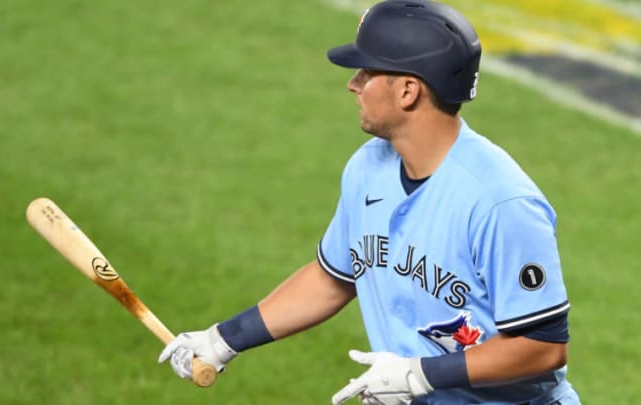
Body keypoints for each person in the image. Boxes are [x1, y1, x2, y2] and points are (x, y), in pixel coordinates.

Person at [158, 1, 581, 404]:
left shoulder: (499, 202)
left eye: (366, 72)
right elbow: (333, 278)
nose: (353, 84)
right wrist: (224, 338)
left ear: (408, 91)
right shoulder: (367, 168)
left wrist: (419, 375)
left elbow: (542, 347)